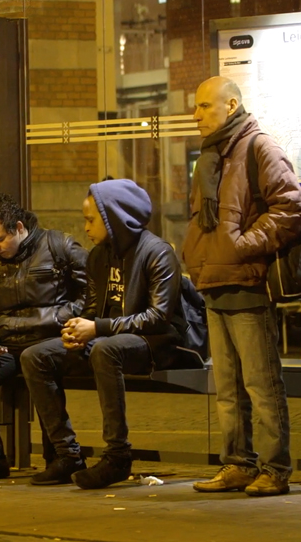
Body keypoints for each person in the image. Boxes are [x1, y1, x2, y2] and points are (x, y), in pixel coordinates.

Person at [183, 76, 301, 497]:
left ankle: (274, 469)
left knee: (261, 384)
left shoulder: (258, 146)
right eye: (196, 106)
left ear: (231, 105)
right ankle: (237, 464)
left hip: (247, 283)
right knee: (229, 389)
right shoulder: (211, 155)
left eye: (204, 106)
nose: (196, 114)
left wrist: (243, 245)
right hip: (214, 282)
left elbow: (291, 206)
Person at [20, 179, 186, 489]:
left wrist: (97, 328)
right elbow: (92, 309)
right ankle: (67, 454)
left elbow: (158, 317)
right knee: (36, 356)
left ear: (115, 217)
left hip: (156, 343)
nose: (86, 227)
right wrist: (78, 330)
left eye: (91, 219)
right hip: (108, 339)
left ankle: (118, 456)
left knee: (104, 350)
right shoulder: (99, 255)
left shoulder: (157, 252)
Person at [0, 193, 87, 481]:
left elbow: (91, 292)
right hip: (5, 343)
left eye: (0, 239)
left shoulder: (58, 245)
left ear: (18, 227)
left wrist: (61, 317)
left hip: (50, 338)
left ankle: (59, 457)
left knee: (36, 360)